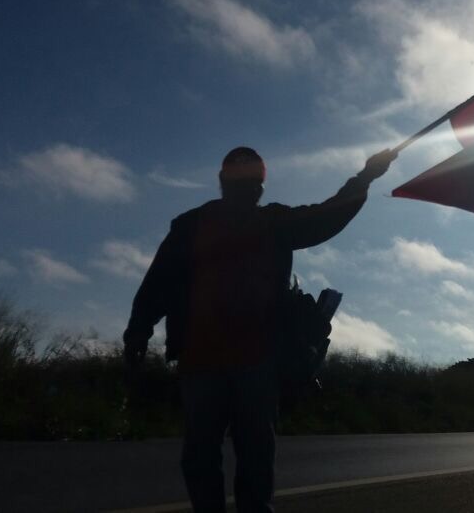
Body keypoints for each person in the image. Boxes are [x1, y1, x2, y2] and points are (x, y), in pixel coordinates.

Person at [123, 146, 396, 512]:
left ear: (259, 188)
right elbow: (159, 282)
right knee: (205, 457)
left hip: (255, 363)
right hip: (202, 362)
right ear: (223, 182)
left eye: (250, 182)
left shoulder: (273, 222)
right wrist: (138, 330)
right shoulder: (190, 226)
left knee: (251, 456)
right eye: (239, 181)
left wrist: (365, 177)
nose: (245, 188)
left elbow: (327, 216)